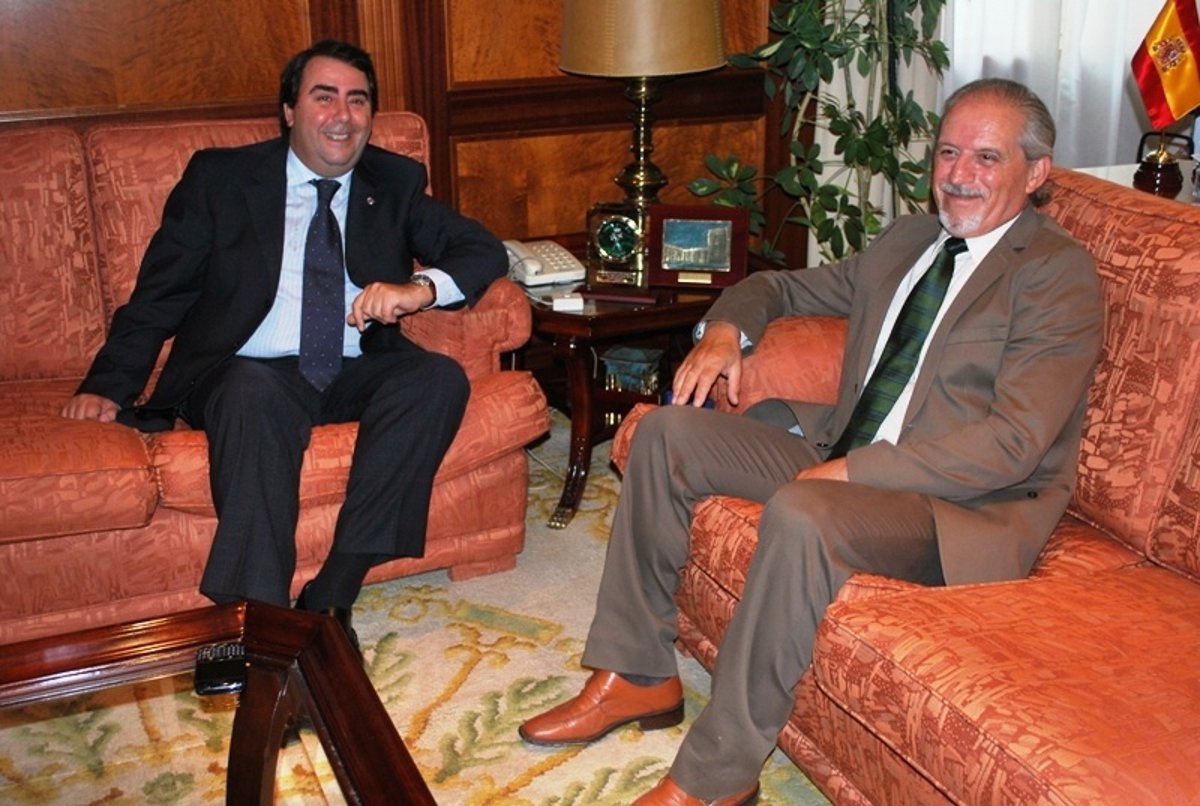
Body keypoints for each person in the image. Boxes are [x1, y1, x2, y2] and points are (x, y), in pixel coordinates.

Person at [519, 78, 1104, 805]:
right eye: (948, 152)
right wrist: (724, 332)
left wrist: (854, 474)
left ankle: (717, 777)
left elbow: (1013, 444)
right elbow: (783, 289)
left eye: (987, 158)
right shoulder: (910, 241)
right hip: (840, 448)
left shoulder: (1055, 274)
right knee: (667, 434)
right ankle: (636, 674)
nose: (959, 175)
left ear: (1037, 172)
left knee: (802, 512)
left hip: (958, 506)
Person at [62, 39, 506, 650]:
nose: (343, 116)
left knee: (437, 379)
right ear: (290, 111)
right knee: (253, 394)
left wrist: (418, 289)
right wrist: (106, 386)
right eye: (324, 98)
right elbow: (161, 293)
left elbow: (483, 249)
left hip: (352, 365)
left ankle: (334, 591)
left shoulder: (393, 182)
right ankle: (257, 619)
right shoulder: (222, 179)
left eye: (358, 100)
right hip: (247, 370)